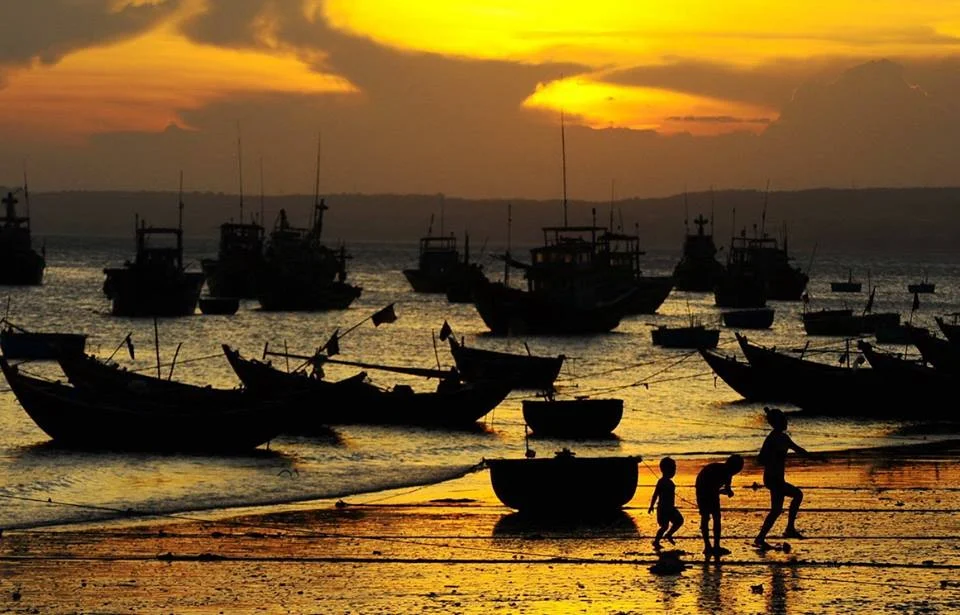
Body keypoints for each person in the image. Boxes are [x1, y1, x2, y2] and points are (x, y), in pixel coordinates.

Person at [754, 407, 818, 550]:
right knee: (797, 495)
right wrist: (773, 459)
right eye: (783, 420)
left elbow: (798, 449)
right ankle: (788, 529)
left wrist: (814, 458)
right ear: (777, 423)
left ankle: (761, 537)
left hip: (777, 479)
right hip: (772, 478)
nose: (786, 422)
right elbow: (760, 459)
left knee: (776, 510)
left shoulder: (784, 438)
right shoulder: (771, 439)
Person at [695, 454, 744, 556]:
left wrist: (728, 492)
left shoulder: (728, 474)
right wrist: (723, 491)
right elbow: (712, 488)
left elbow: (725, 488)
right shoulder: (721, 471)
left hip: (711, 491)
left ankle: (716, 546)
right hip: (702, 487)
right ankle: (708, 546)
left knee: (716, 517)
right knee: (706, 517)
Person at [648, 457, 684, 550]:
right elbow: (655, 494)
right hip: (663, 508)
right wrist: (651, 506)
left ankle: (669, 534)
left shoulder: (669, 482)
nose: (674, 471)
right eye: (673, 469)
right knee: (664, 526)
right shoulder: (661, 481)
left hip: (670, 508)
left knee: (679, 521)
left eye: (674, 469)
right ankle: (656, 541)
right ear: (666, 470)